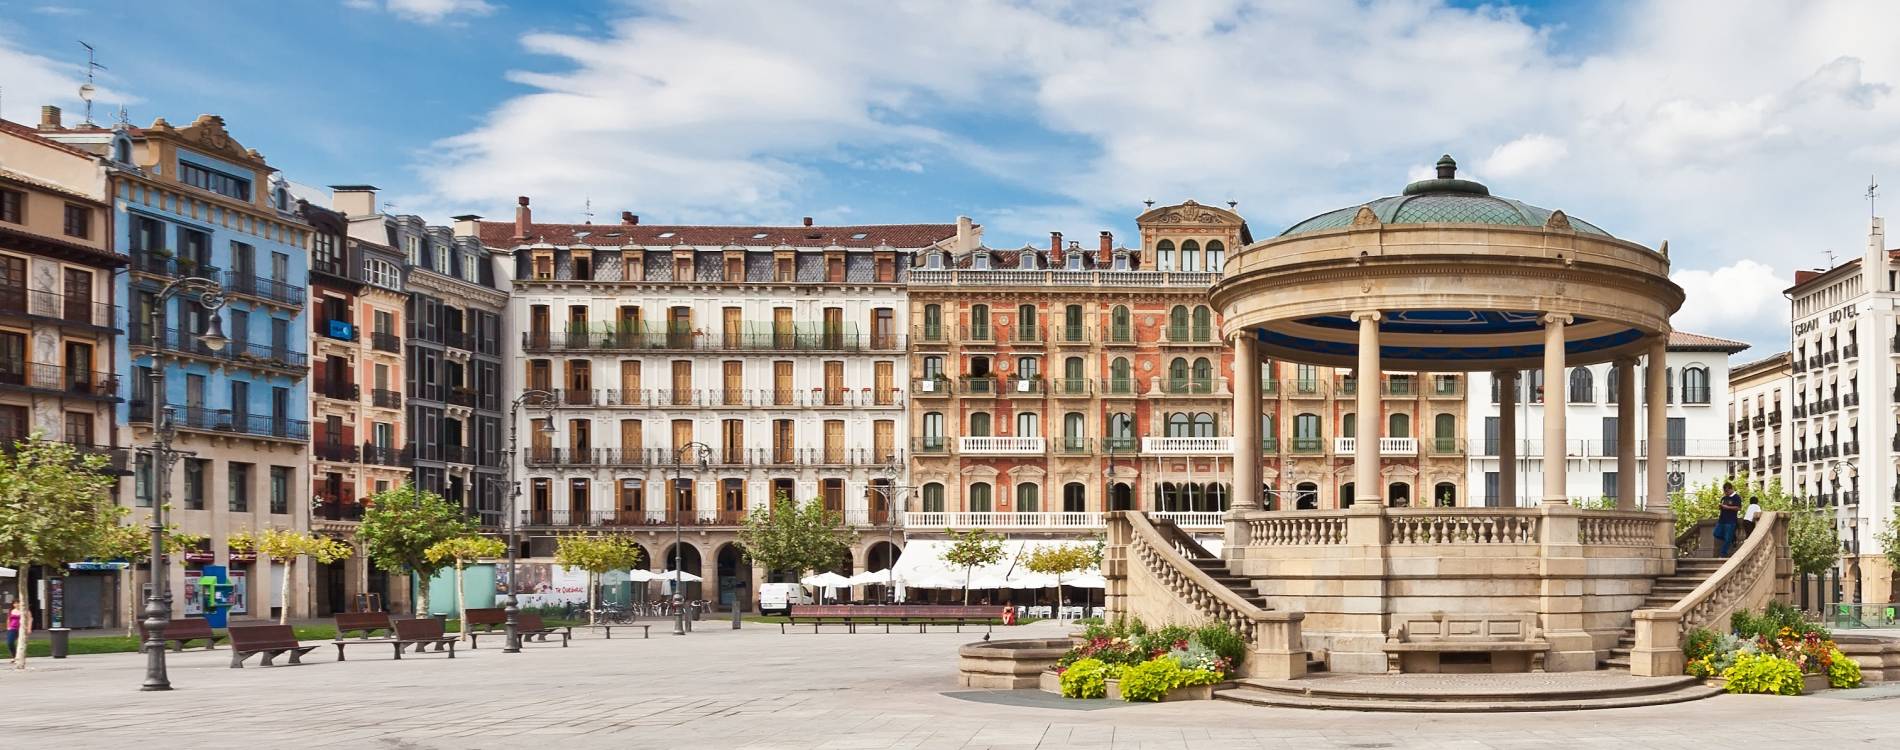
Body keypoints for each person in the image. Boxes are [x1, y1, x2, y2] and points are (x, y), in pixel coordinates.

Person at [1715, 482, 1743, 557]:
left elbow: (1738, 508)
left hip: (1730, 521)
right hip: (1722, 520)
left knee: (1727, 539)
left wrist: (1728, 507)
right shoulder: (1724, 498)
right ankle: (1731, 538)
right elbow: (1722, 506)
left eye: (1727, 491)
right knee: (1716, 533)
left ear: (1731, 489)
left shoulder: (1736, 497)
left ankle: (1723, 554)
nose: (1725, 493)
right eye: (1724, 491)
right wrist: (1720, 507)